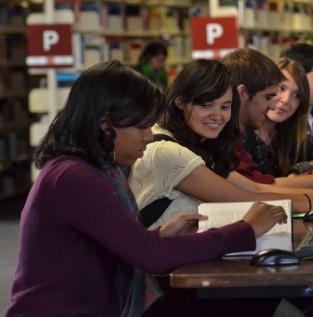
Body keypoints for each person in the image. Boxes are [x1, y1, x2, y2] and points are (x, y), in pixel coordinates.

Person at [5, 60, 288, 317]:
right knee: (249, 298)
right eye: (141, 126)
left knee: (247, 298)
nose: (149, 135)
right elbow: (152, 256)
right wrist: (245, 231)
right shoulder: (75, 177)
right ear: (106, 124)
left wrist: (162, 234)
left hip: (98, 305)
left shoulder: (88, 169)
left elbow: (123, 245)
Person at [129, 58, 313, 230]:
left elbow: (256, 189)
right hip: (167, 280)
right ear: (180, 102)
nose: (218, 115)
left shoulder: (196, 146)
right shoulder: (167, 152)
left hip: (188, 261)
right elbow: (245, 198)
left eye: (224, 107)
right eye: (206, 105)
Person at [222, 48, 313, 188]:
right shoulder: (239, 133)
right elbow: (258, 188)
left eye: (296, 95)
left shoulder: (289, 132)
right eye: (279, 89)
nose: (284, 101)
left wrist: (304, 173)